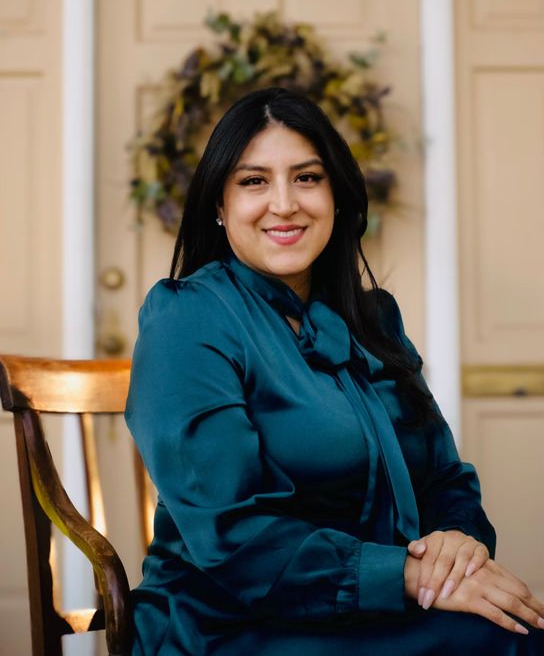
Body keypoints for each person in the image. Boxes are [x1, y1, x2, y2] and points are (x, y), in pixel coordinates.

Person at [125, 87, 544, 655]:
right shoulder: (188, 317)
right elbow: (231, 535)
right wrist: (410, 576)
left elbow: (443, 477)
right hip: (228, 622)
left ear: (337, 197)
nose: (284, 203)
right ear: (219, 208)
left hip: (371, 609)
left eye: (306, 177)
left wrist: (456, 545)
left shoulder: (375, 319)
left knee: (515, 627)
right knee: (506, 639)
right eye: (253, 181)